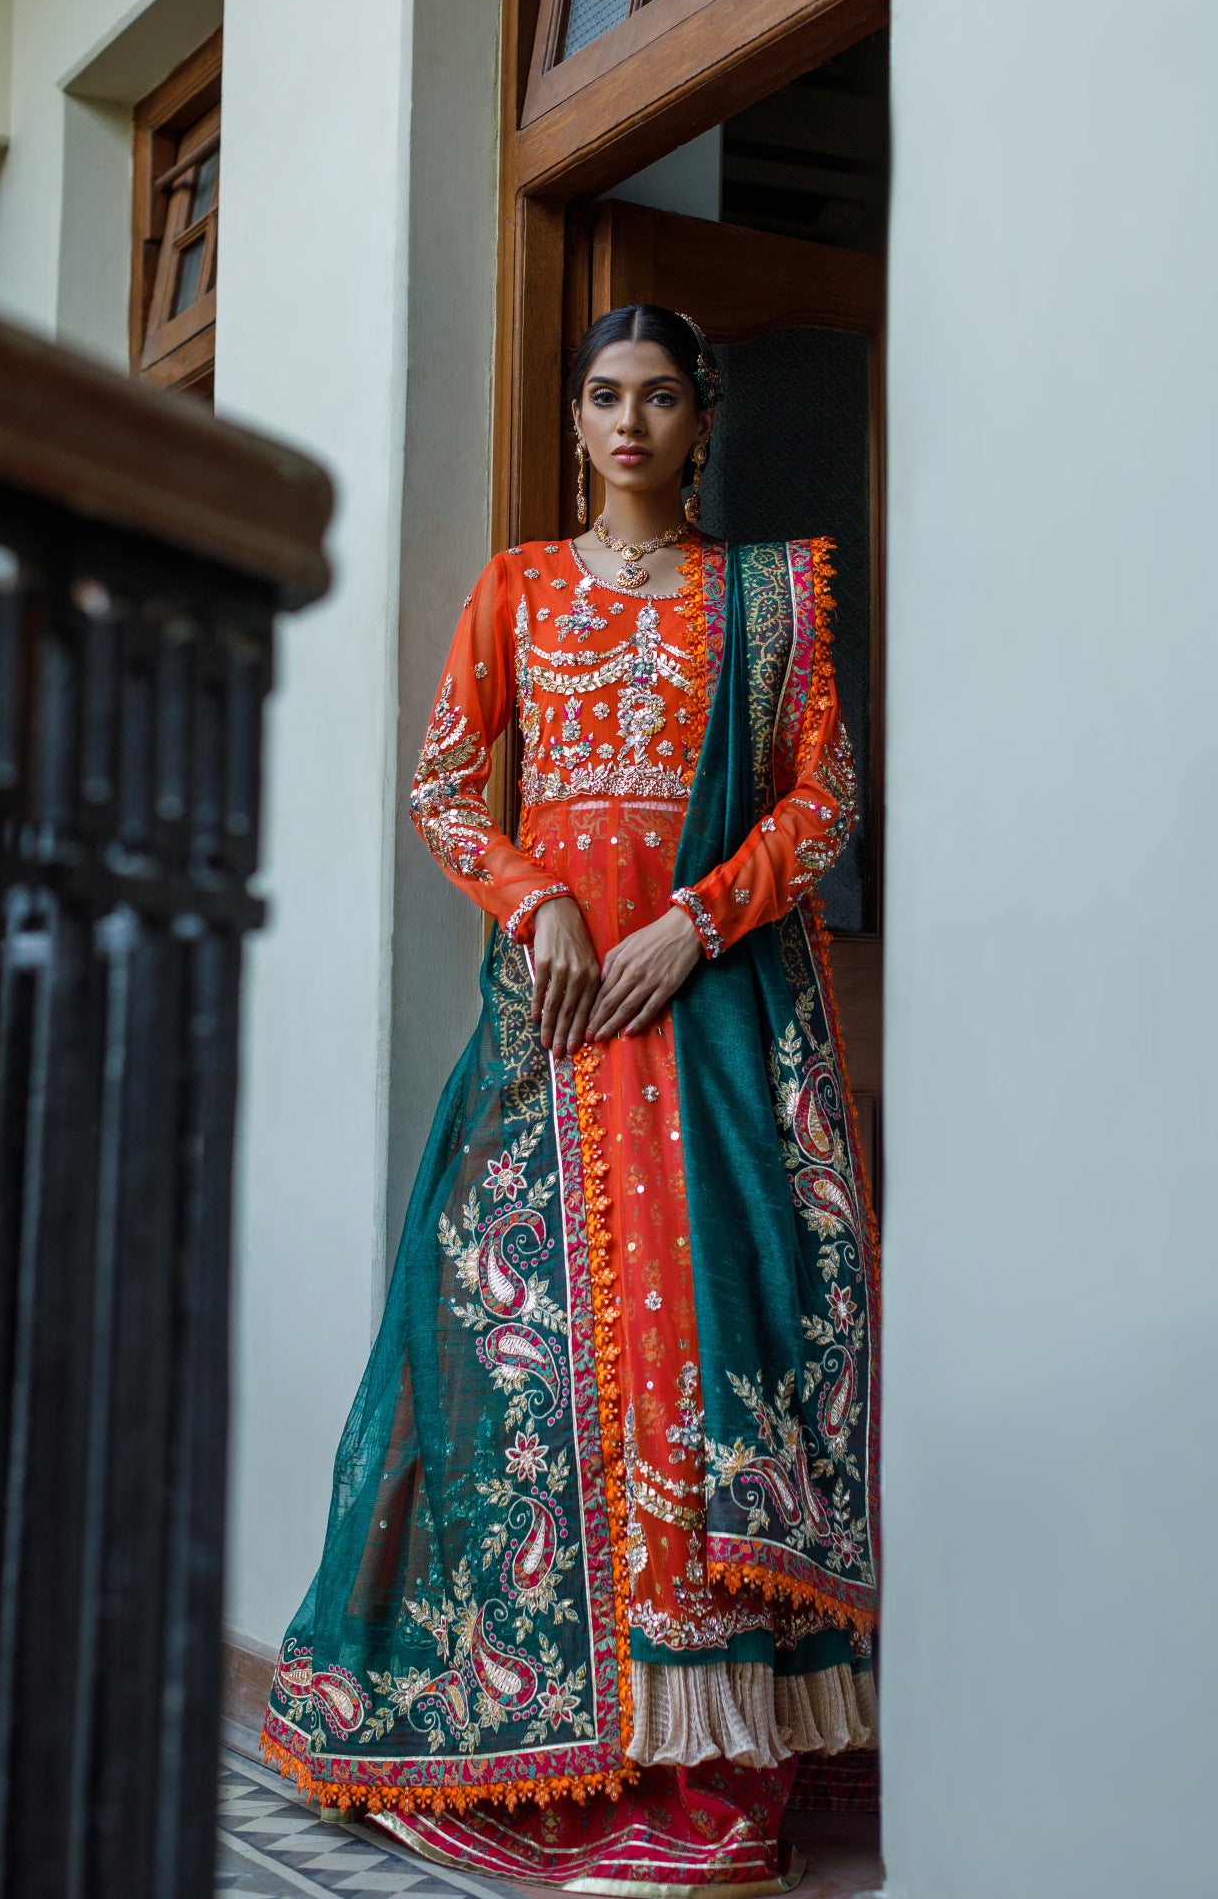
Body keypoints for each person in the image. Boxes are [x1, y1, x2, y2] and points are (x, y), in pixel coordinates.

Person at [263, 304, 879, 1890]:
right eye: (604, 395)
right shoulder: (520, 589)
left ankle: (704, 1763)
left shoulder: (768, 598)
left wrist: (696, 918)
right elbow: (443, 787)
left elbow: (827, 801)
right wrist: (537, 897)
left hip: (713, 1023)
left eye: (660, 397)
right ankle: (551, 1744)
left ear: (703, 414)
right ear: (576, 414)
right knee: (520, 1372)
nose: (630, 425)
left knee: (701, 1352)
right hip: (553, 1027)